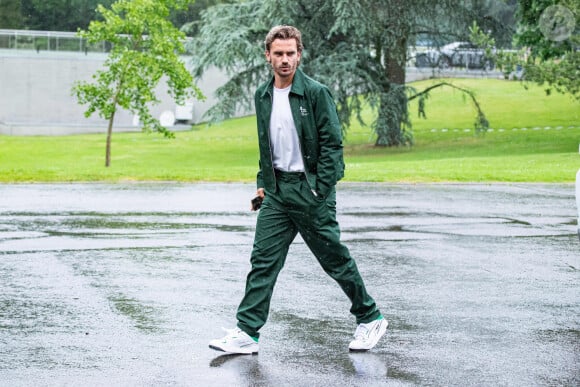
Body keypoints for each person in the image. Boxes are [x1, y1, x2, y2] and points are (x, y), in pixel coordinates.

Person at [209, 25, 387, 355]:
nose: (285, 59)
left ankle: (370, 317)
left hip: (310, 191)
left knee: (333, 259)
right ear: (268, 56)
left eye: (291, 53)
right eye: (279, 54)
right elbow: (268, 146)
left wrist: (320, 189)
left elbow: (333, 145)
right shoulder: (263, 96)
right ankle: (248, 331)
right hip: (277, 192)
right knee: (262, 261)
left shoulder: (316, 93)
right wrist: (262, 185)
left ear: (299, 55)